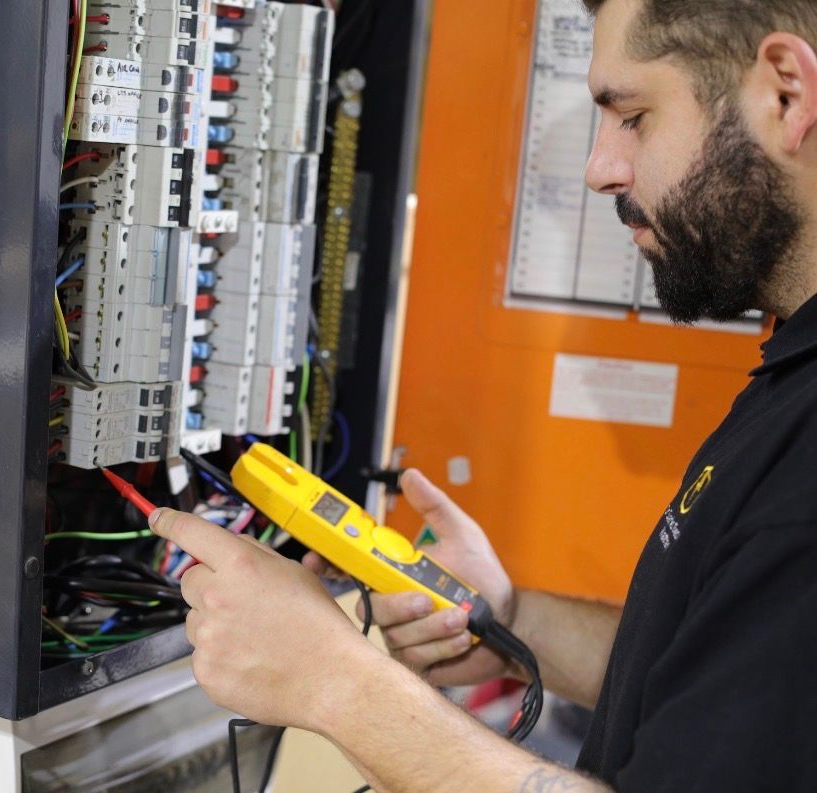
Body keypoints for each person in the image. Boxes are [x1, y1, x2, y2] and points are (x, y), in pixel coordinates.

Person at [149, 0, 817, 789]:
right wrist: (510, 619)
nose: (601, 167)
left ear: (785, 93)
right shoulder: (791, 380)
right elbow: (727, 692)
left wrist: (333, 681)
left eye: (632, 116)